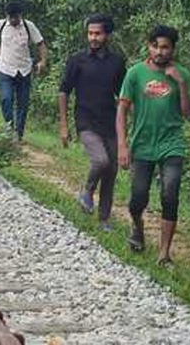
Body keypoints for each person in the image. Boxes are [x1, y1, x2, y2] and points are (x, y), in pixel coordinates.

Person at [117, 25, 190, 266]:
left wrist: (181, 84)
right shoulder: (135, 74)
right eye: (155, 46)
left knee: (170, 194)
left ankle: (164, 253)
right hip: (142, 145)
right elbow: (122, 110)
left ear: (173, 49)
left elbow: (189, 114)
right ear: (148, 46)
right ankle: (138, 227)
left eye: (165, 47)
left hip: (172, 145)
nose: (160, 52)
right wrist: (122, 144)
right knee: (137, 199)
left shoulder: (182, 74)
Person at [60, 14, 126, 231]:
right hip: (85, 120)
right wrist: (63, 125)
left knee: (111, 171)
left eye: (97, 33)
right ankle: (87, 190)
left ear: (107, 35)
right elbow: (64, 92)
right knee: (101, 161)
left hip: (110, 122)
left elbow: (123, 95)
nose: (93, 38)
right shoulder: (77, 60)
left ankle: (104, 219)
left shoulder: (116, 63)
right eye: (90, 33)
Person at [0, 2, 48, 140]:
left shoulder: (29, 26)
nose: (13, 20)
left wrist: (43, 61)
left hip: (24, 70)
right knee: (6, 98)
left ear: (20, 16)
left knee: (23, 103)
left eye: (15, 17)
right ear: (7, 15)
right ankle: (9, 127)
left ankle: (19, 133)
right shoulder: (1, 25)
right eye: (11, 17)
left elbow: (41, 44)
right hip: (5, 69)